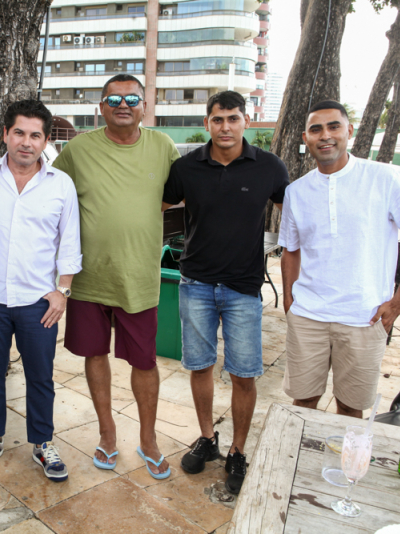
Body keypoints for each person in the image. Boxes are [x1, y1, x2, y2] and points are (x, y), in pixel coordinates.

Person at [161, 90, 289, 494]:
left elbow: (301, 217)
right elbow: (156, 210)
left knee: (244, 374)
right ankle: (207, 439)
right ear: (207, 123)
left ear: (245, 121)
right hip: (195, 282)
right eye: (218, 119)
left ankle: (237, 449)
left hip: (243, 289)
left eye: (233, 118)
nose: (225, 126)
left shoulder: (269, 167)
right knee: (199, 366)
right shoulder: (186, 167)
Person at [52, 74, 179, 479]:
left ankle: (148, 438)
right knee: (94, 354)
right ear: (100, 107)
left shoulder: (163, 147)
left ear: (144, 105)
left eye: (131, 98)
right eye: (113, 98)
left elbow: (174, 195)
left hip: (139, 277)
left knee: (144, 361)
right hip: (88, 278)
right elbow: (51, 194)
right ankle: (107, 434)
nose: (122, 104)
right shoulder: (78, 149)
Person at [279, 100, 400, 420]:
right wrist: (290, 303)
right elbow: (291, 250)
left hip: (364, 317)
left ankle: (344, 470)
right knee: (304, 403)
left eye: (334, 126)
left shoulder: (385, 178)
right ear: (306, 137)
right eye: (316, 129)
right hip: (309, 315)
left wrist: (398, 301)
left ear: (349, 131)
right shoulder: (296, 191)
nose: (325, 135)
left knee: (350, 407)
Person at [0, 100, 81, 482]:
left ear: (46, 140)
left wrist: (62, 290)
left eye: (35, 135)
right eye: (19, 132)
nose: (26, 143)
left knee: (40, 375)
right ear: (5, 134)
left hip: (38, 301)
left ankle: (42, 442)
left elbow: (70, 241)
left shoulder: (60, 184)